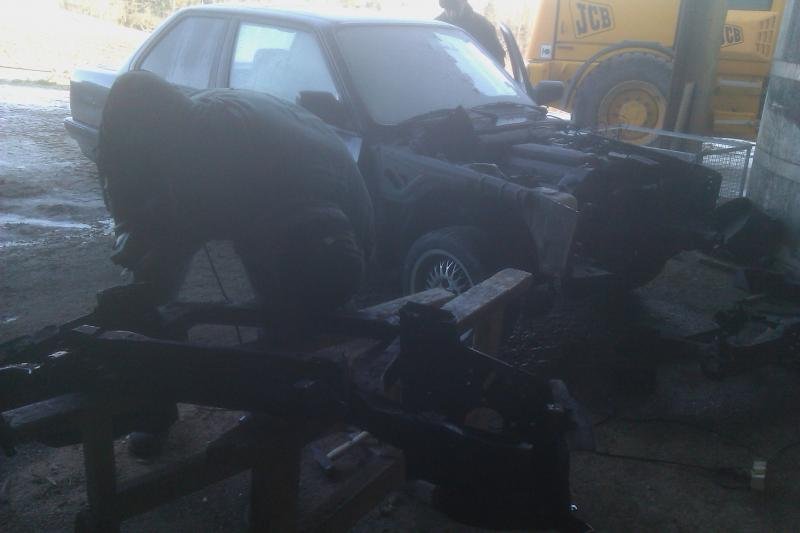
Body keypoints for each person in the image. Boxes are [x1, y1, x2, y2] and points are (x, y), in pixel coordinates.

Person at [98, 70, 374, 456]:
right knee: (154, 286)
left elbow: (180, 230)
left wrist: (148, 265)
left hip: (321, 214)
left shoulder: (216, 150)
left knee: (297, 299)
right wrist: (135, 238)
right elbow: (141, 198)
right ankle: (157, 409)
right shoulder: (185, 123)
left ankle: (292, 394)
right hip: (295, 192)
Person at [436, 0, 505, 66]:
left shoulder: (484, 26)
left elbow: (498, 61)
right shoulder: (437, 26)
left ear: (464, 1)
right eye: (447, 9)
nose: (452, 14)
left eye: (455, 8)